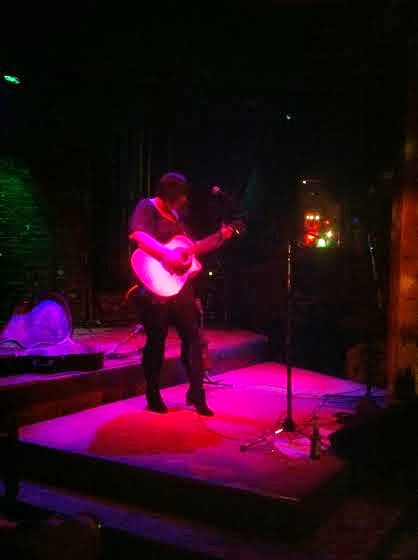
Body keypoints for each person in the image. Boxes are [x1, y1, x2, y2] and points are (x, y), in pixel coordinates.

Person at [129, 171, 234, 416]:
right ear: (169, 194)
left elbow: (190, 250)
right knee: (156, 340)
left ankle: (197, 393)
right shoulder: (147, 207)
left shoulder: (177, 217)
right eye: (181, 196)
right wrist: (167, 255)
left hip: (180, 287)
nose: (185, 200)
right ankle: (153, 393)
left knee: (193, 339)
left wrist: (219, 237)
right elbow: (139, 236)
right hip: (155, 287)